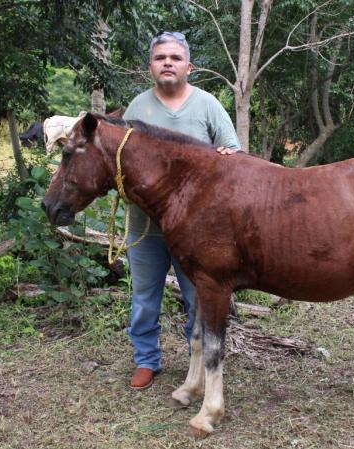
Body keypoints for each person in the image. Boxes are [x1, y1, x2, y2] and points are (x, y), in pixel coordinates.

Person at [122, 31, 242, 390]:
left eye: (175, 58)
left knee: (200, 298)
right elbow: (121, 163)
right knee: (145, 297)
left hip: (198, 233)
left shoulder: (207, 105)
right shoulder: (136, 109)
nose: (168, 63)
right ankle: (147, 360)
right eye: (161, 58)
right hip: (147, 228)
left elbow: (234, 154)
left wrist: (225, 158)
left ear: (189, 66)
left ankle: (203, 362)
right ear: (150, 67)